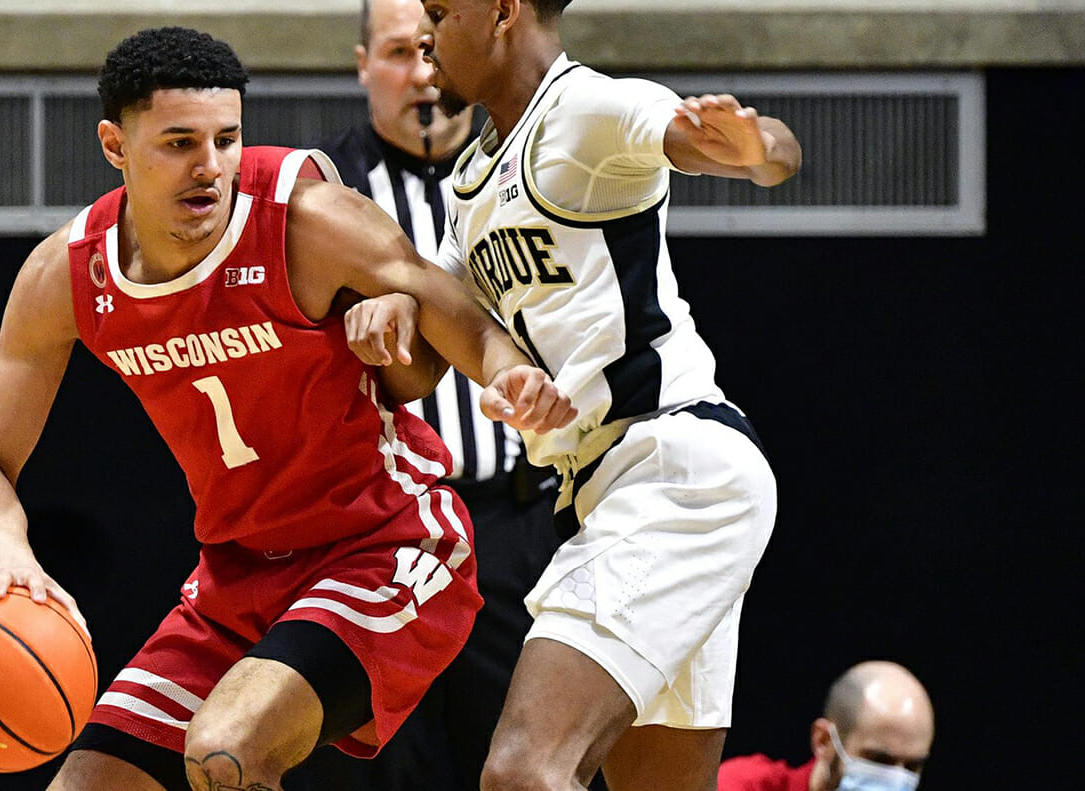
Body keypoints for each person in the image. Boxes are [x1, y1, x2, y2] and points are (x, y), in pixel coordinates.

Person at [0, 26, 575, 791]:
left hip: (384, 541)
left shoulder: (304, 218)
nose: (210, 166)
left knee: (227, 748)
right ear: (115, 146)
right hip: (236, 579)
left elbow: (458, 318)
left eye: (226, 139)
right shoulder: (66, 275)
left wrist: (510, 375)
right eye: (179, 143)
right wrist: (11, 564)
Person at [350, 1, 804, 789]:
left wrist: (757, 148)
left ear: (502, 11)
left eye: (441, 12)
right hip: (606, 487)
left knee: (523, 770)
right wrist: (395, 304)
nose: (427, 36)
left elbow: (763, 149)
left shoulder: (587, 107)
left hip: (671, 469)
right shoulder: (472, 180)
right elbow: (447, 315)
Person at [286, 1, 565, 790]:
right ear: (362, 67)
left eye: (430, 47)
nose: (420, 73)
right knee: (379, 766)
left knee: (520, 762)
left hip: (513, 523)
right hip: (381, 530)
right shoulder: (325, 192)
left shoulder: (525, 167)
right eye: (397, 53)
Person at [718, 661, 935, 791]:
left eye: (912, 767)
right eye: (878, 760)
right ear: (823, 740)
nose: (895, 780)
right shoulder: (743, 785)